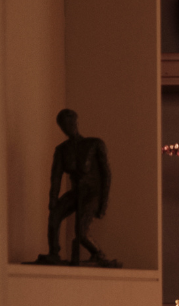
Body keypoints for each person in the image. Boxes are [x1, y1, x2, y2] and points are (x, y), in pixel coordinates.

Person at [38, 108, 119, 266]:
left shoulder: (94, 144)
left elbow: (106, 174)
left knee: (81, 233)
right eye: (63, 125)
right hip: (76, 193)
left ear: (76, 122)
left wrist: (103, 202)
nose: (67, 127)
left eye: (69, 122)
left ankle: (98, 253)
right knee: (54, 217)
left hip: (92, 193)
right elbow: (56, 177)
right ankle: (54, 253)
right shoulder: (62, 150)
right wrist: (53, 200)